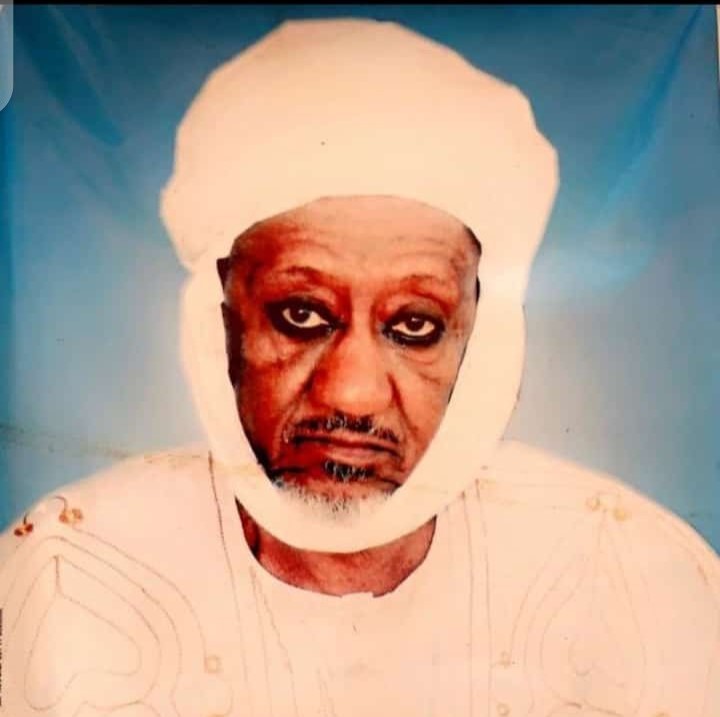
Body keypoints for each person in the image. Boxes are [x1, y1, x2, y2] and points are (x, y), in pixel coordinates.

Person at [1, 18, 719, 717]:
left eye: (415, 326)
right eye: (301, 315)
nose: (352, 393)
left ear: (483, 339)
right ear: (222, 318)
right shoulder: (67, 569)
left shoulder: (629, 576)